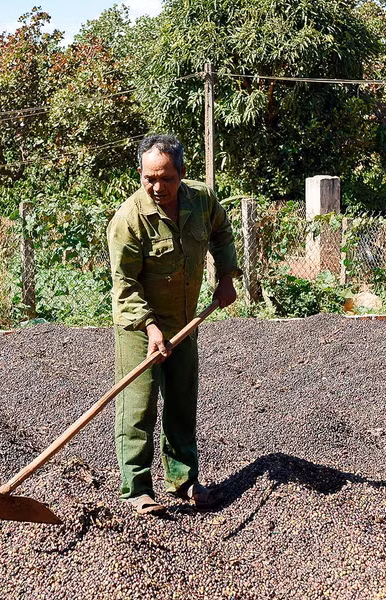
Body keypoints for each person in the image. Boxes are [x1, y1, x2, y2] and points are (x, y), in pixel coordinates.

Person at [106, 134, 241, 515]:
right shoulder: (128, 220)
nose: (157, 187)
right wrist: (151, 329)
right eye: (149, 178)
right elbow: (125, 286)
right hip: (139, 326)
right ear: (140, 174)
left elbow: (221, 232)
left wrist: (226, 277)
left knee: (182, 401)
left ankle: (183, 480)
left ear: (181, 172)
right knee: (139, 406)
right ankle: (136, 488)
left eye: (166, 178)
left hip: (184, 320)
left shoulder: (201, 200)